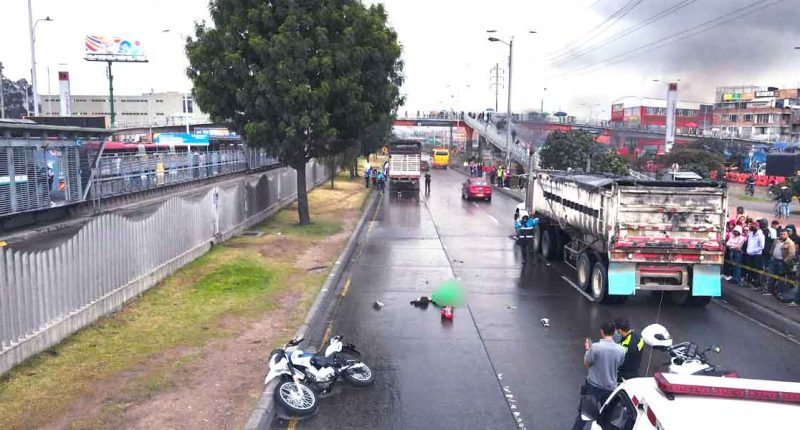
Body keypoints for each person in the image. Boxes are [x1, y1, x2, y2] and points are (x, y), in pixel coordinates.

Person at [571, 322, 625, 430]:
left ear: (602, 332)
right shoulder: (621, 350)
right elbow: (619, 364)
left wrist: (588, 349)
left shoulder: (595, 347)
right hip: (610, 389)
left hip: (593, 387)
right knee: (608, 419)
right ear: (614, 332)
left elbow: (587, 363)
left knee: (583, 417)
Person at [614, 318, 644, 382]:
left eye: (616, 330)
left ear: (619, 330)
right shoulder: (639, 337)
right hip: (635, 370)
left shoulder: (625, 346)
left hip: (624, 374)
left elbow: (620, 361)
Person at [767, 229, 796, 295]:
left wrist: (785, 260)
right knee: (771, 276)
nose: (782, 235)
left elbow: (791, 254)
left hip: (781, 262)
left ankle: (780, 292)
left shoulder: (790, 243)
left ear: (787, 235)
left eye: (784, 234)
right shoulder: (776, 240)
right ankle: (770, 291)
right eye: (781, 234)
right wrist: (771, 254)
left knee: (781, 278)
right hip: (774, 260)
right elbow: (772, 248)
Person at [744, 223, 765, 287]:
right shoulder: (750, 233)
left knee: (756, 270)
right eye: (752, 226)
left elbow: (761, 246)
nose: (752, 227)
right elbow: (749, 243)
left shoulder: (761, 235)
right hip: (750, 254)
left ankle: (756, 284)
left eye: (754, 226)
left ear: (757, 227)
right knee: (750, 269)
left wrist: (753, 251)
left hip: (756, 255)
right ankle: (749, 282)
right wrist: (748, 250)